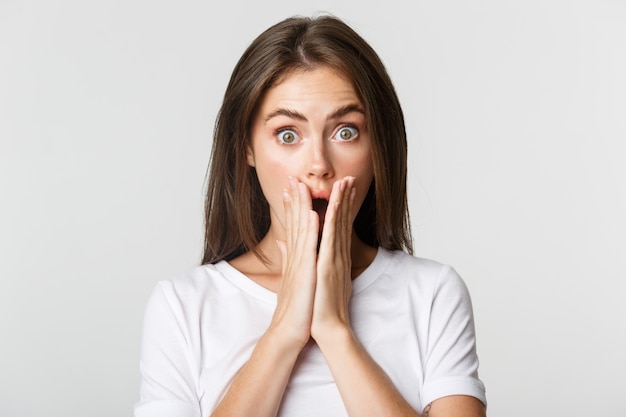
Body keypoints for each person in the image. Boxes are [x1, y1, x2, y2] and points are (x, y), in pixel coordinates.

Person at [135, 14, 487, 417]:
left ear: (379, 148)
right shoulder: (183, 305)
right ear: (247, 148)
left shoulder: (433, 293)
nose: (318, 165)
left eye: (346, 131)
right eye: (287, 134)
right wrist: (285, 331)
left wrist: (336, 331)